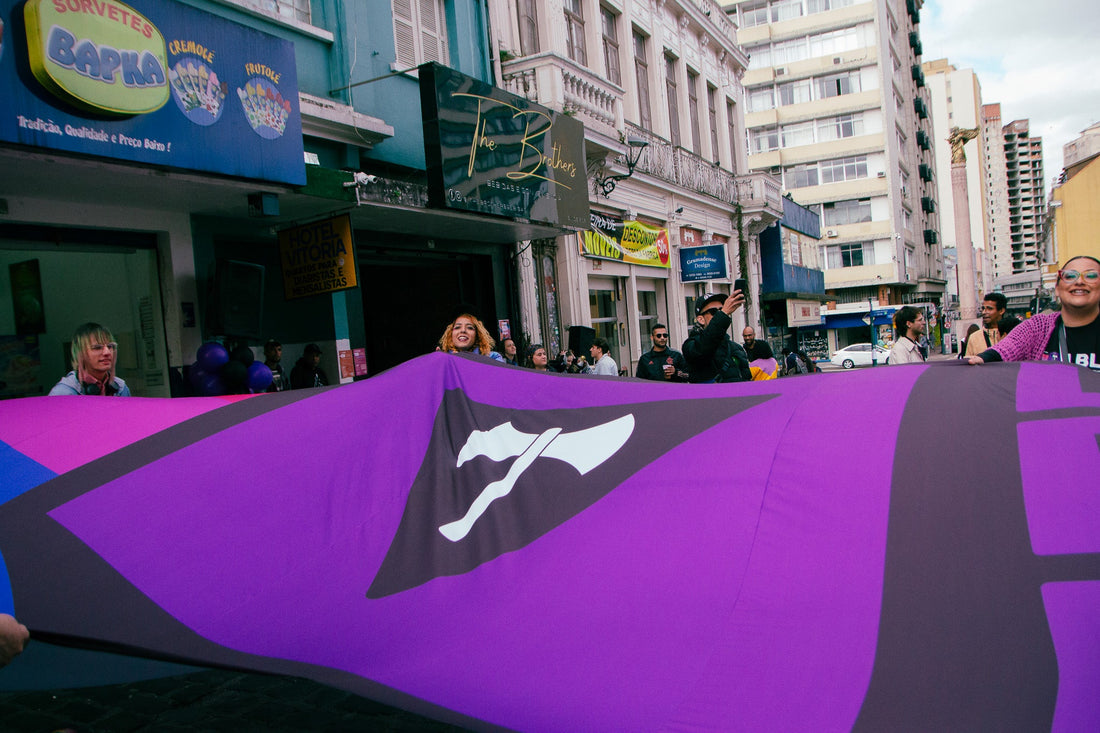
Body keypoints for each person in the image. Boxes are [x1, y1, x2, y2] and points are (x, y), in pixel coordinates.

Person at [968, 255, 1100, 371]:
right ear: (1057, 289)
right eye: (1070, 276)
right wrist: (982, 359)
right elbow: (1007, 349)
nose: (1079, 282)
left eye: (1091, 276)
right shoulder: (1039, 327)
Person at [682, 292, 752, 383]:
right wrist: (723, 314)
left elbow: (746, 379)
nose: (719, 314)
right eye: (714, 312)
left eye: (721, 310)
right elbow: (705, 346)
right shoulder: (691, 346)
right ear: (701, 319)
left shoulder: (736, 348)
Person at [49, 322, 132, 396]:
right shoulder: (63, 393)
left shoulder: (121, 389)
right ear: (80, 354)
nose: (107, 352)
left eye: (110, 346)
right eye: (97, 347)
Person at [964, 293, 1009, 357]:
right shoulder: (974, 338)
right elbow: (968, 361)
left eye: (989, 309)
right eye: (983, 308)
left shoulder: (1011, 335)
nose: (984, 312)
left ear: (1001, 311)